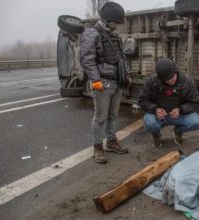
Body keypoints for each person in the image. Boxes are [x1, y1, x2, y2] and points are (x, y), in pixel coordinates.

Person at [80, 2, 128, 164]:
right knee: (101, 117)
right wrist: (96, 80)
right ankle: (97, 147)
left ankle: (112, 142)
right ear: (107, 19)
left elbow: (121, 58)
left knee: (113, 116)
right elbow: (87, 60)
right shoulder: (92, 33)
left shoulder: (115, 36)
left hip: (117, 82)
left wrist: (126, 74)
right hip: (103, 83)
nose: (118, 26)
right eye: (116, 22)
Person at [138, 57, 199, 147]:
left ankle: (178, 131)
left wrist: (180, 110)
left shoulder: (188, 82)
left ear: (175, 71)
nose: (169, 82)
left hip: (179, 115)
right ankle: (156, 135)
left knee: (197, 121)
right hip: (158, 116)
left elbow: (194, 103)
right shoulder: (152, 81)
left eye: (171, 78)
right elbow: (142, 100)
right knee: (149, 122)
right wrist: (155, 109)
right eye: (166, 80)